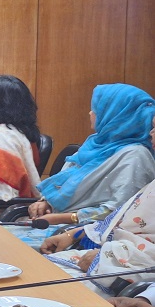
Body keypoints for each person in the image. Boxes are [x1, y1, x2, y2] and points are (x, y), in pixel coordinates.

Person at [29, 84, 155, 225]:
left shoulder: (136, 156)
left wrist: (68, 218)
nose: (90, 113)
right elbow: (66, 186)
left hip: (89, 230)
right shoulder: (95, 144)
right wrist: (46, 202)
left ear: (116, 115)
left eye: (96, 109)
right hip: (55, 221)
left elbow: (122, 211)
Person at [41, 173, 155, 298]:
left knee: (51, 291)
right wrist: (72, 235)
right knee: (40, 268)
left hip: (132, 271)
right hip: (114, 252)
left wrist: (106, 255)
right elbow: (119, 222)